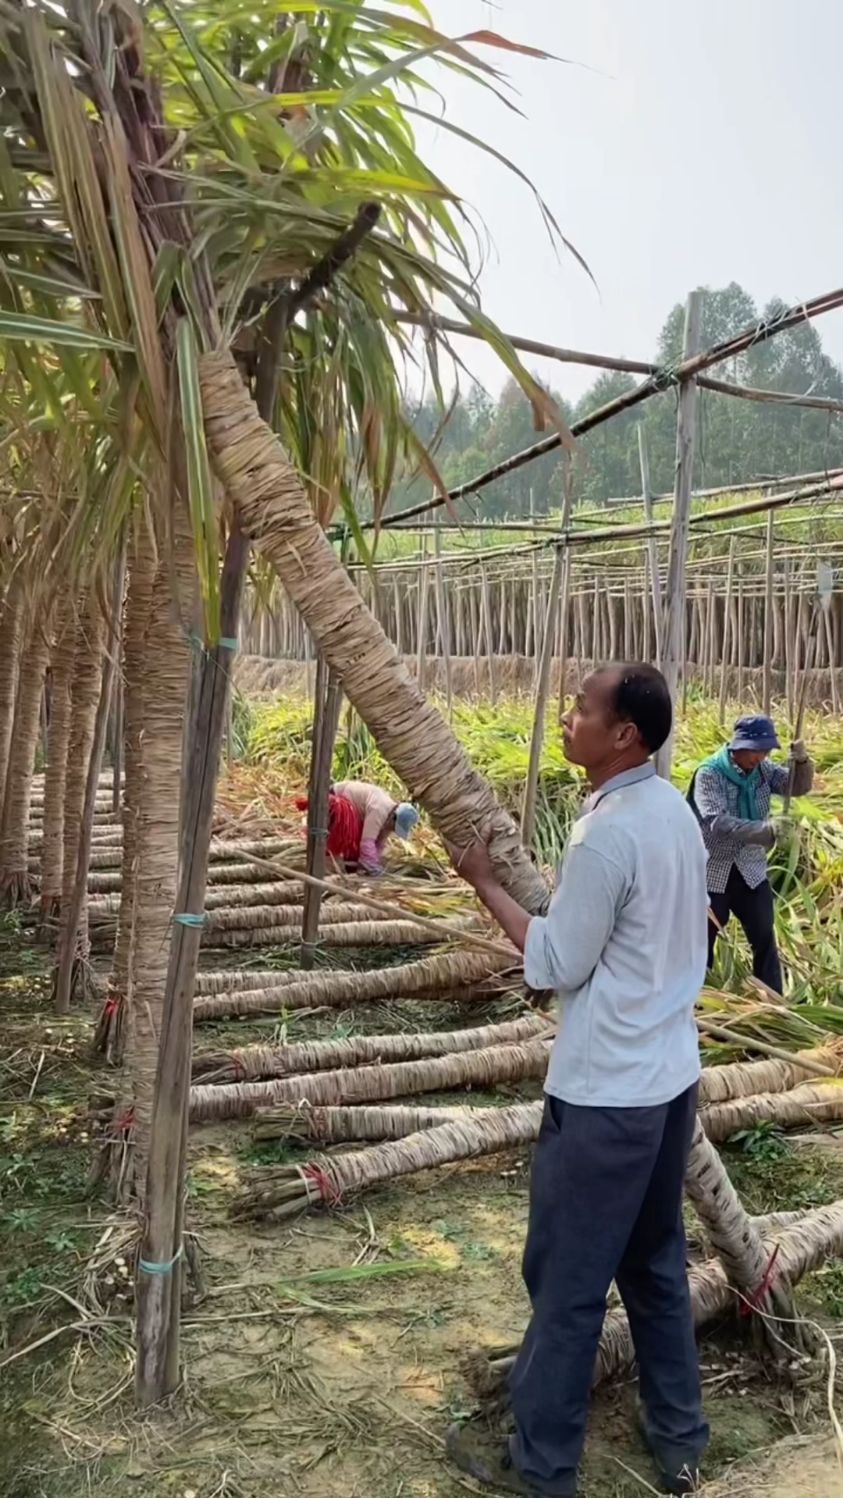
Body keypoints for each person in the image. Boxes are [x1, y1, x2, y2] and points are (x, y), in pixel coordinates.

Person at [445, 664, 709, 1498]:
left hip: (605, 1101)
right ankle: (680, 1440)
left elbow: (556, 962)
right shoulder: (672, 811)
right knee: (656, 1268)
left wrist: (485, 883)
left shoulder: (607, 835)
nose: (565, 719)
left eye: (581, 709)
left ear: (623, 733)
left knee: (564, 1290)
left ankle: (543, 1469)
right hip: (668, 1084)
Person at [688, 714, 813, 995]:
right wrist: (766, 832)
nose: (761, 757)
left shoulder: (763, 770)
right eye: (756, 750)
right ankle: (699, 999)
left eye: (766, 751)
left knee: (764, 936)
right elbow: (715, 822)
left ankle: (772, 1002)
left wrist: (801, 762)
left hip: (750, 870)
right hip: (712, 870)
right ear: (738, 746)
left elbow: (795, 787)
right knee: (703, 939)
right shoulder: (710, 772)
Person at [297, 780, 418, 875]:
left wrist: (376, 863)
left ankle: (350, 866)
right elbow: (367, 842)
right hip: (336, 803)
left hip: (354, 811)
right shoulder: (379, 809)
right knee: (354, 836)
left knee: (364, 852)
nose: (392, 830)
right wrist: (372, 868)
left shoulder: (389, 818)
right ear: (394, 817)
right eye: (394, 827)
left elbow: (379, 843)